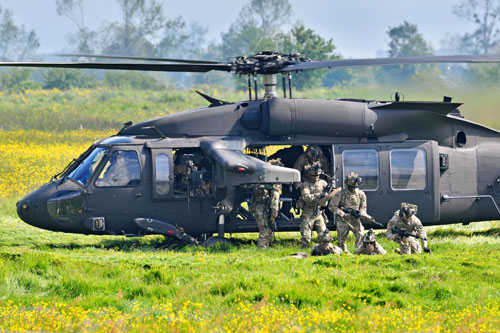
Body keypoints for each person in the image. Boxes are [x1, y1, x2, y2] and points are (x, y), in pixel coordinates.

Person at [328, 172, 369, 254]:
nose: (353, 188)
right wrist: (341, 213)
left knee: (360, 233)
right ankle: (343, 252)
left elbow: (363, 207)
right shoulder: (340, 194)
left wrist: (362, 214)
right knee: (341, 239)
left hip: (355, 219)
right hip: (343, 219)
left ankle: (358, 251)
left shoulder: (361, 194)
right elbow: (332, 206)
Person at [248, 159, 283, 248]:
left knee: (268, 231)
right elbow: (275, 200)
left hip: (260, 206)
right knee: (264, 232)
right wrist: (273, 216)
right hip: (261, 207)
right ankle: (262, 250)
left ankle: (266, 248)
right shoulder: (273, 181)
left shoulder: (262, 177)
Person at [298, 164, 328, 248]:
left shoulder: (322, 183)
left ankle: (323, 250)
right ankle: (304, 251)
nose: (316, 177)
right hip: (308, 212)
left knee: (324, 234)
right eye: (313, 176)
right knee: (306, 237)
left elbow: (330, 193)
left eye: (317, 175)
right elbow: (306, 197)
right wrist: (319, 195)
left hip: (319, 212)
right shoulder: (305, 184)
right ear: (308, 175)